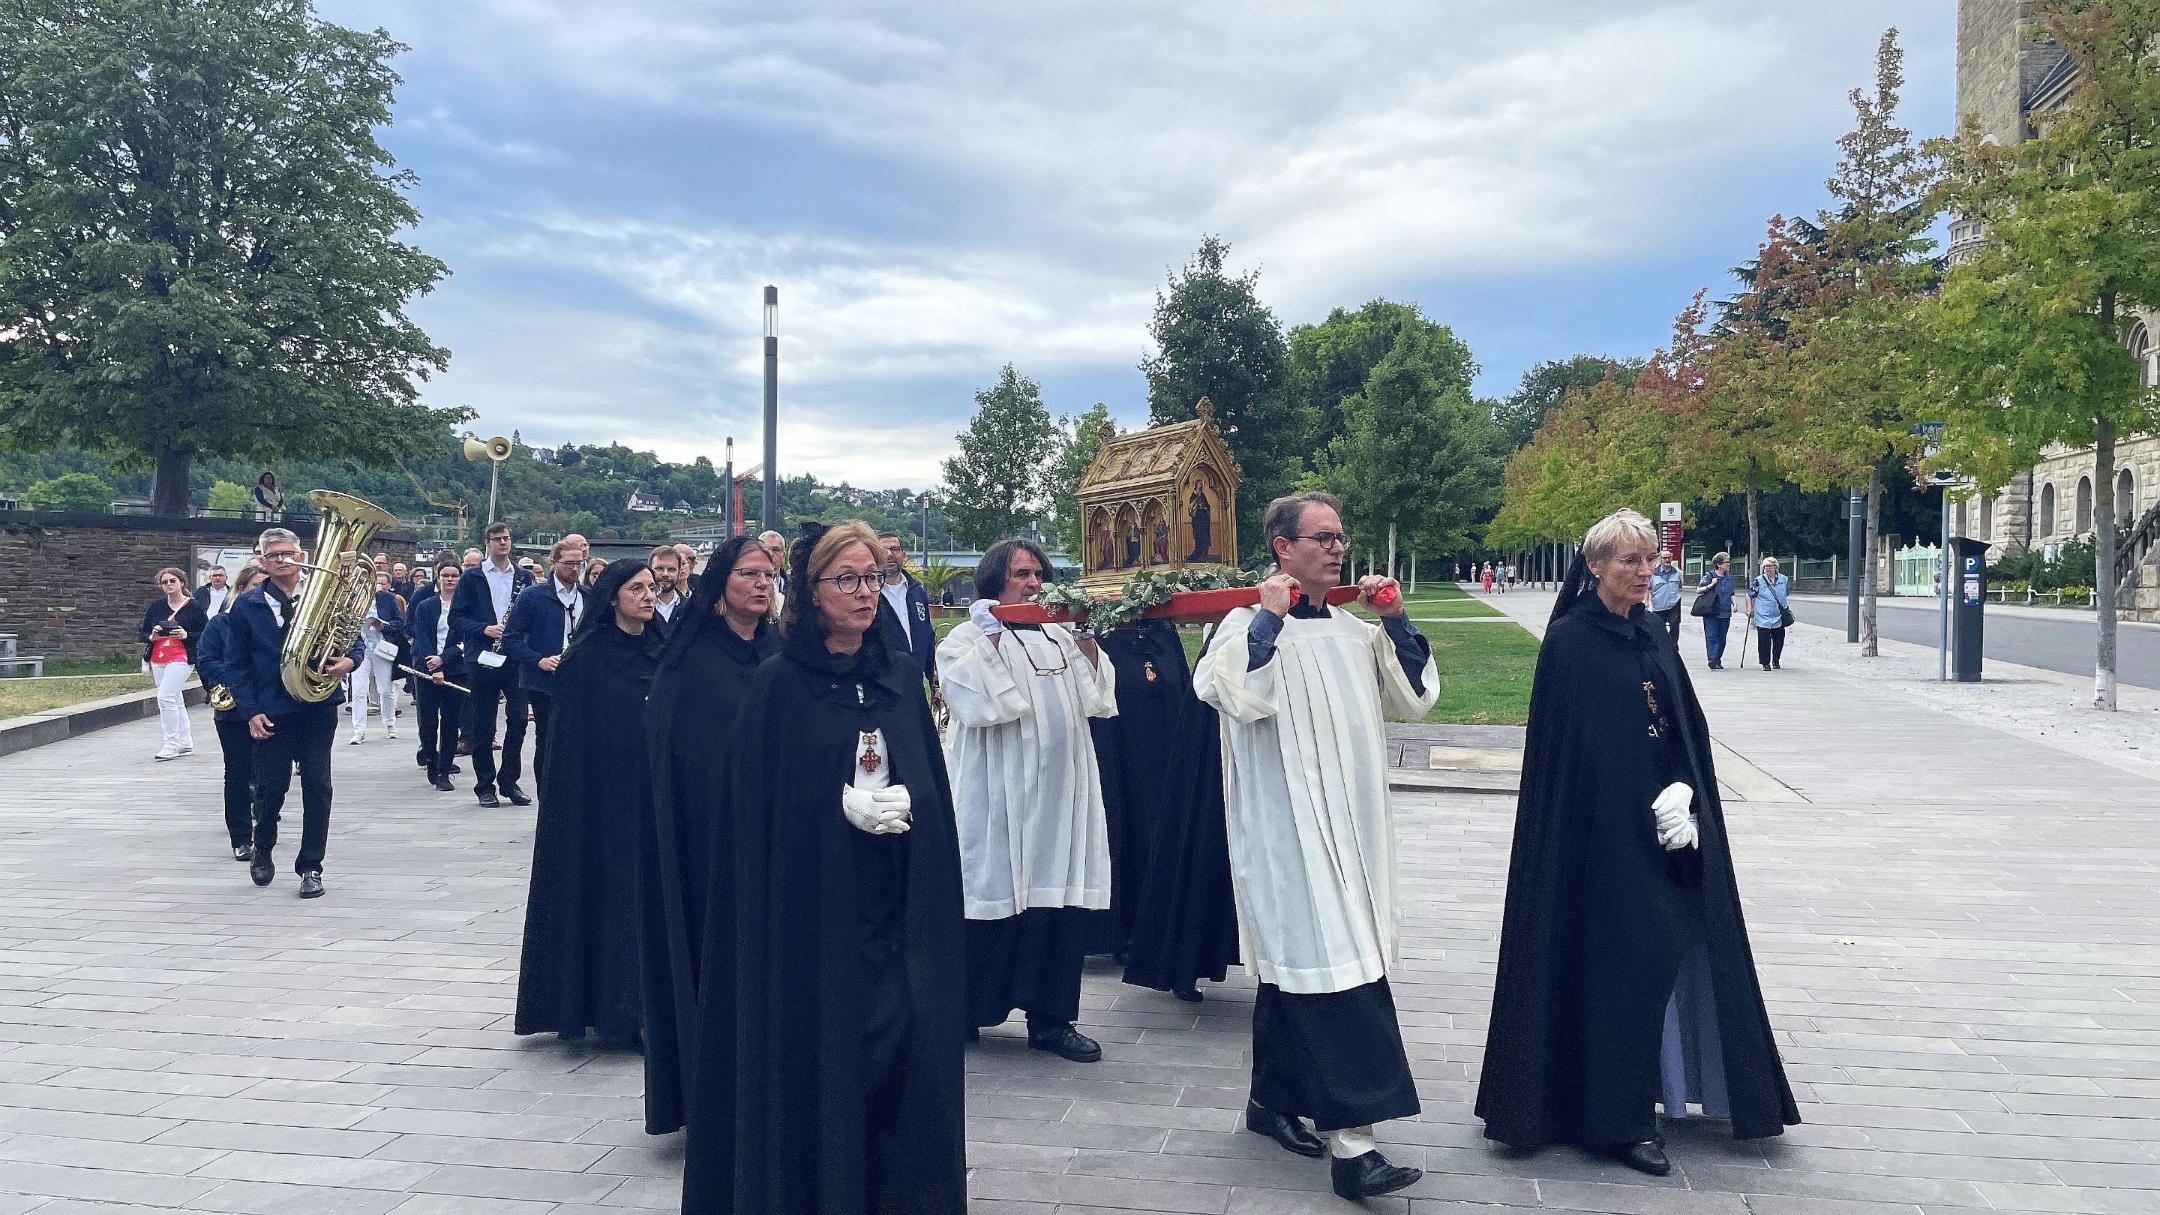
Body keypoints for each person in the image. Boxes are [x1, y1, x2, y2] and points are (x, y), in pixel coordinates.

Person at [1476, 509, 1798, 1176]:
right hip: (1596, 845)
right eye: (1630, 560)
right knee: (1622, 965)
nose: (1645, 571)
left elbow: (1680, 728)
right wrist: (1634, 808)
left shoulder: (1653, 631)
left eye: (1651, 560)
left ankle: (1658, 1095)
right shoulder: (1569, 644)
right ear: (1595, 566)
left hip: (1668, 834)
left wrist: (1686, 792)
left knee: (1668, 953)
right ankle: (1615, 1121)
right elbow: (1573, 763)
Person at [679, 520, 966, 1214]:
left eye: (873, 578)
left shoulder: (898, 673)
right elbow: (755, 809)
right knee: (825, 1060)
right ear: (812, 592)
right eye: (848, 579)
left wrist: (912, 797)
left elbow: (928, 777)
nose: (866, 592)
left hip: (894, 913)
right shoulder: (780, 684)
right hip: (812, 920)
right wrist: (829, 803)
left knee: (902, 1047)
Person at [1191, 491, 1436, 1201]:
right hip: (1286, 831)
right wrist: (1268, 613)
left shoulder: (1355, 633)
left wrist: (1395, 617)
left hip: (1353, 829)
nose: (1336, 548)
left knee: (1305, 968)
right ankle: (1354, 1148)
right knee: (1337, 974)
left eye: (1340, 536)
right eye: (1321, 537)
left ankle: (1271, 1101)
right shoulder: (1240, 624)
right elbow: (1238, 694)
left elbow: (1414, 696)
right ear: (1282, 547)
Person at [939, 538, 1116, 1063]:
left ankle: (1052, 1021)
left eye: (1039, 573)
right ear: (995, 579)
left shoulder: (1059, 636)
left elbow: (1098, 698)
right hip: (1000, 794)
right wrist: (992, 640)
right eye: (1022, 573)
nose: (1034, 582)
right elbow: (979, 705)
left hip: (1062, 798)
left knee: (1057, 902)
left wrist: (1088, 644)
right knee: (992, 896)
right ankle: (965, 1011)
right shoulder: (967, 638)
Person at [641, 535, 780, 1136]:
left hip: (775, 835)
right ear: (721, 583)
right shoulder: (692, 656)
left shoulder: (782, 650)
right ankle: (711, 1095)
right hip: (709, 840)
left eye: (770, 574)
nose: (761, 583)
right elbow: (676, 751)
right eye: (749, 573)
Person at [515, 560, 662, 1043]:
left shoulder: (666, 651)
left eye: (652, 588)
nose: (647, 596)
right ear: (613, 597)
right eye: (636, 588)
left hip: (652, 798)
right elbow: (569, 747)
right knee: (607, 898)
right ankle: (609, 1009)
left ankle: (646, 1008)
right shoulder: (586, 658)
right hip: (601, 804)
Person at [1092, 617, 1239, 1003]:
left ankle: (1179, 946)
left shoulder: (1167, 636)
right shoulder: (1102, 633)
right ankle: (1121, 932)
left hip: (1173, 751)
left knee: (1173, 832)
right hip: (1120, 748)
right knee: (1124, 822)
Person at [226, 527, 363, 898]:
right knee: (272, 786)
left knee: (318, 785)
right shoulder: (247, 604)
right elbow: (236, 664)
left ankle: (311, 866)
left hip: (318, 705)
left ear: (301, 555)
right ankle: (264, 847)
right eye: (273, 556)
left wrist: (349, 661)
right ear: (262, 561)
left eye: (287, 553)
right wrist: (250, 711)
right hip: (272, 708)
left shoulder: (326, 597)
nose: (281, 560)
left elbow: (355, 640)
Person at [451, 522, 536, 808]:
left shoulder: (524, 577)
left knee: (519, 721)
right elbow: (457, 618)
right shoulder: (471, 577)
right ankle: (484, 785)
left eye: (507, 538)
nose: (504, 543)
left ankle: (509, 781)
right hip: (482, 658)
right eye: (498, 539)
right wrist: (484, 629)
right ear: (487, 542)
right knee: (483, 725)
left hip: (514, 658)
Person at [505, 536, 594, 791]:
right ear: (553, 562)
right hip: (545, 680)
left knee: (579, 741)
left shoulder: (588, 596)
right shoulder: (533, 596)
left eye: (580, 563)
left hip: (580, 679)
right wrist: (539, 660)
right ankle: (547, 800)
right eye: (569, 564)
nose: (575, 569)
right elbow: (511, 639)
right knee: (547, 740)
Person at [195, 564, 267, 860]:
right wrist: (237, 675)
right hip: (234, 708)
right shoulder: (221, 623)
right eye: (255, 586)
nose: (261, 592)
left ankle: (265, 827)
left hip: (270, 705)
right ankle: (241, 837)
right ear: (241, 589)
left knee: (268, 774)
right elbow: (206, 660)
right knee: (237, 772)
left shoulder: (279, 623)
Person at [409, 562, 468, 792]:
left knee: (451, 721)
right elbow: (422, 638)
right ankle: (431, 759)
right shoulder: (426, 606)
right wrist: (433, 666)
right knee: (428, 720)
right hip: (425, 668)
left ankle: (444, 770)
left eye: (454, 575)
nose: (450, 579)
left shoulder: (466, 608)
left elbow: (464, 640)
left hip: (455, 668)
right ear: (438, 577)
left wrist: (444, 659)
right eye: (445, 575)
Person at [141, 568, 209, 761]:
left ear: (182, 583)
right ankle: (185, 741)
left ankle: (170, 743)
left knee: (165, 697)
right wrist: (152, 635)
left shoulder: (193, 607)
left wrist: (186, 635)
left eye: (173, 581)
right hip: (158, 656)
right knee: (175, 698)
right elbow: (143, 631)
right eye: (165, 582)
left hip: (181, 656)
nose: (169, 585)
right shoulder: (156, 607)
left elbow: (206, 632)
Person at [873, 531, 937, 683]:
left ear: (903, 554)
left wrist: (934, 681)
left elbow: (927, 637)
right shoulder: (870, 594)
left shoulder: (917, 593)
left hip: (915, 682)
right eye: (884, 550)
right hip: (883, 683)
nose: (889, 554)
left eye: (894, 549)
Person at [349, 572, 405, 744]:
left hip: (381, 646)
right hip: (360, 646)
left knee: (385, 688)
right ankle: (359, 730)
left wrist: (383, 625)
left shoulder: (387, 599)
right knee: (359, 690)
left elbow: (399, 622)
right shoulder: (350, 599)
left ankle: (390, 724)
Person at [1748, 558, 1791, 671]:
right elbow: (1750, 594)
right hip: (1763, 614)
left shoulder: (1784, 579)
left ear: (1776, 567)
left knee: (1779, 640)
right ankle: (1765, 663)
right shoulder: (1759, 580)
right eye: (1765, 566)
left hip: (1779, 614)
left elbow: (1786, 593)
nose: (1768, 568)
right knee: (1764, 641)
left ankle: (1776, 660)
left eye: (1770, 566)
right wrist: (1749, 608)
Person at [1696, 552, 1735, 670]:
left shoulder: (1729, 577)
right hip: (1711, 611)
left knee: (1722, 638)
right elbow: (1699, 590)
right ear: (1718, 564)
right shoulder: (1709, 575)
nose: (1729, 564)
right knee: (1712, 636)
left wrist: (1735, 603)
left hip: (1725, 611)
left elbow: (1731, 593)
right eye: (1726, 562)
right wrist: (1711, 585)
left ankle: (1717, 659)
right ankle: (1712, 659)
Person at [648, 544, 687, 632]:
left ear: (679, 572)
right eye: (659, 568)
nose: (665, 574)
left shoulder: (690, 610)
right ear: (650, 570)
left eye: (671, 569)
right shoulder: (639, 607)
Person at [1648, 551, 1684, 644]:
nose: (1667, 560)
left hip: (1674, 604)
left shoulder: (1678, 572)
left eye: (1669, 557)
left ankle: (1673, 647)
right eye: (1665, 558)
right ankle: (1661, 646)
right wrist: (1646, 601)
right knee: (1659, 627)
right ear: (1661, 559)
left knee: (1675, 626)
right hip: (1658, 606)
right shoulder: (1652, 573)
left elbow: (1680, 587)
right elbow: (1647, 588)